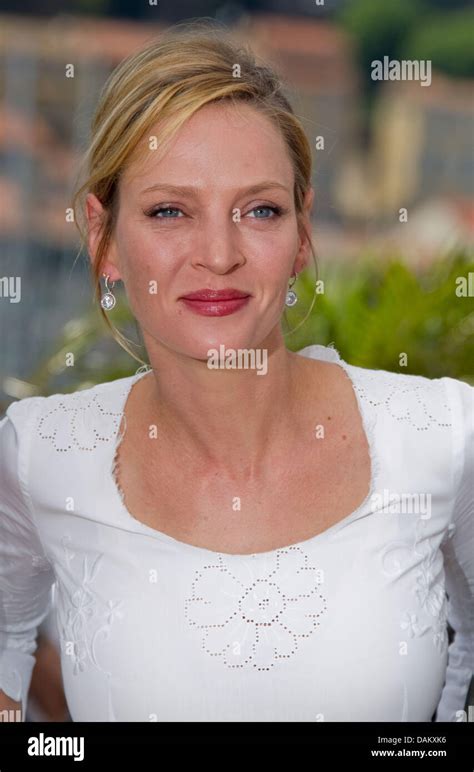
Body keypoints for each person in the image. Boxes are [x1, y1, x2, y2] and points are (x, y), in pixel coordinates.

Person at [0, 20, 472, 723]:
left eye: (259, 210)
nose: (217, 254)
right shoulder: (40, 453)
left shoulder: (443, 434)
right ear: (104, 241)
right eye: (169, 211)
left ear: (302, 234)